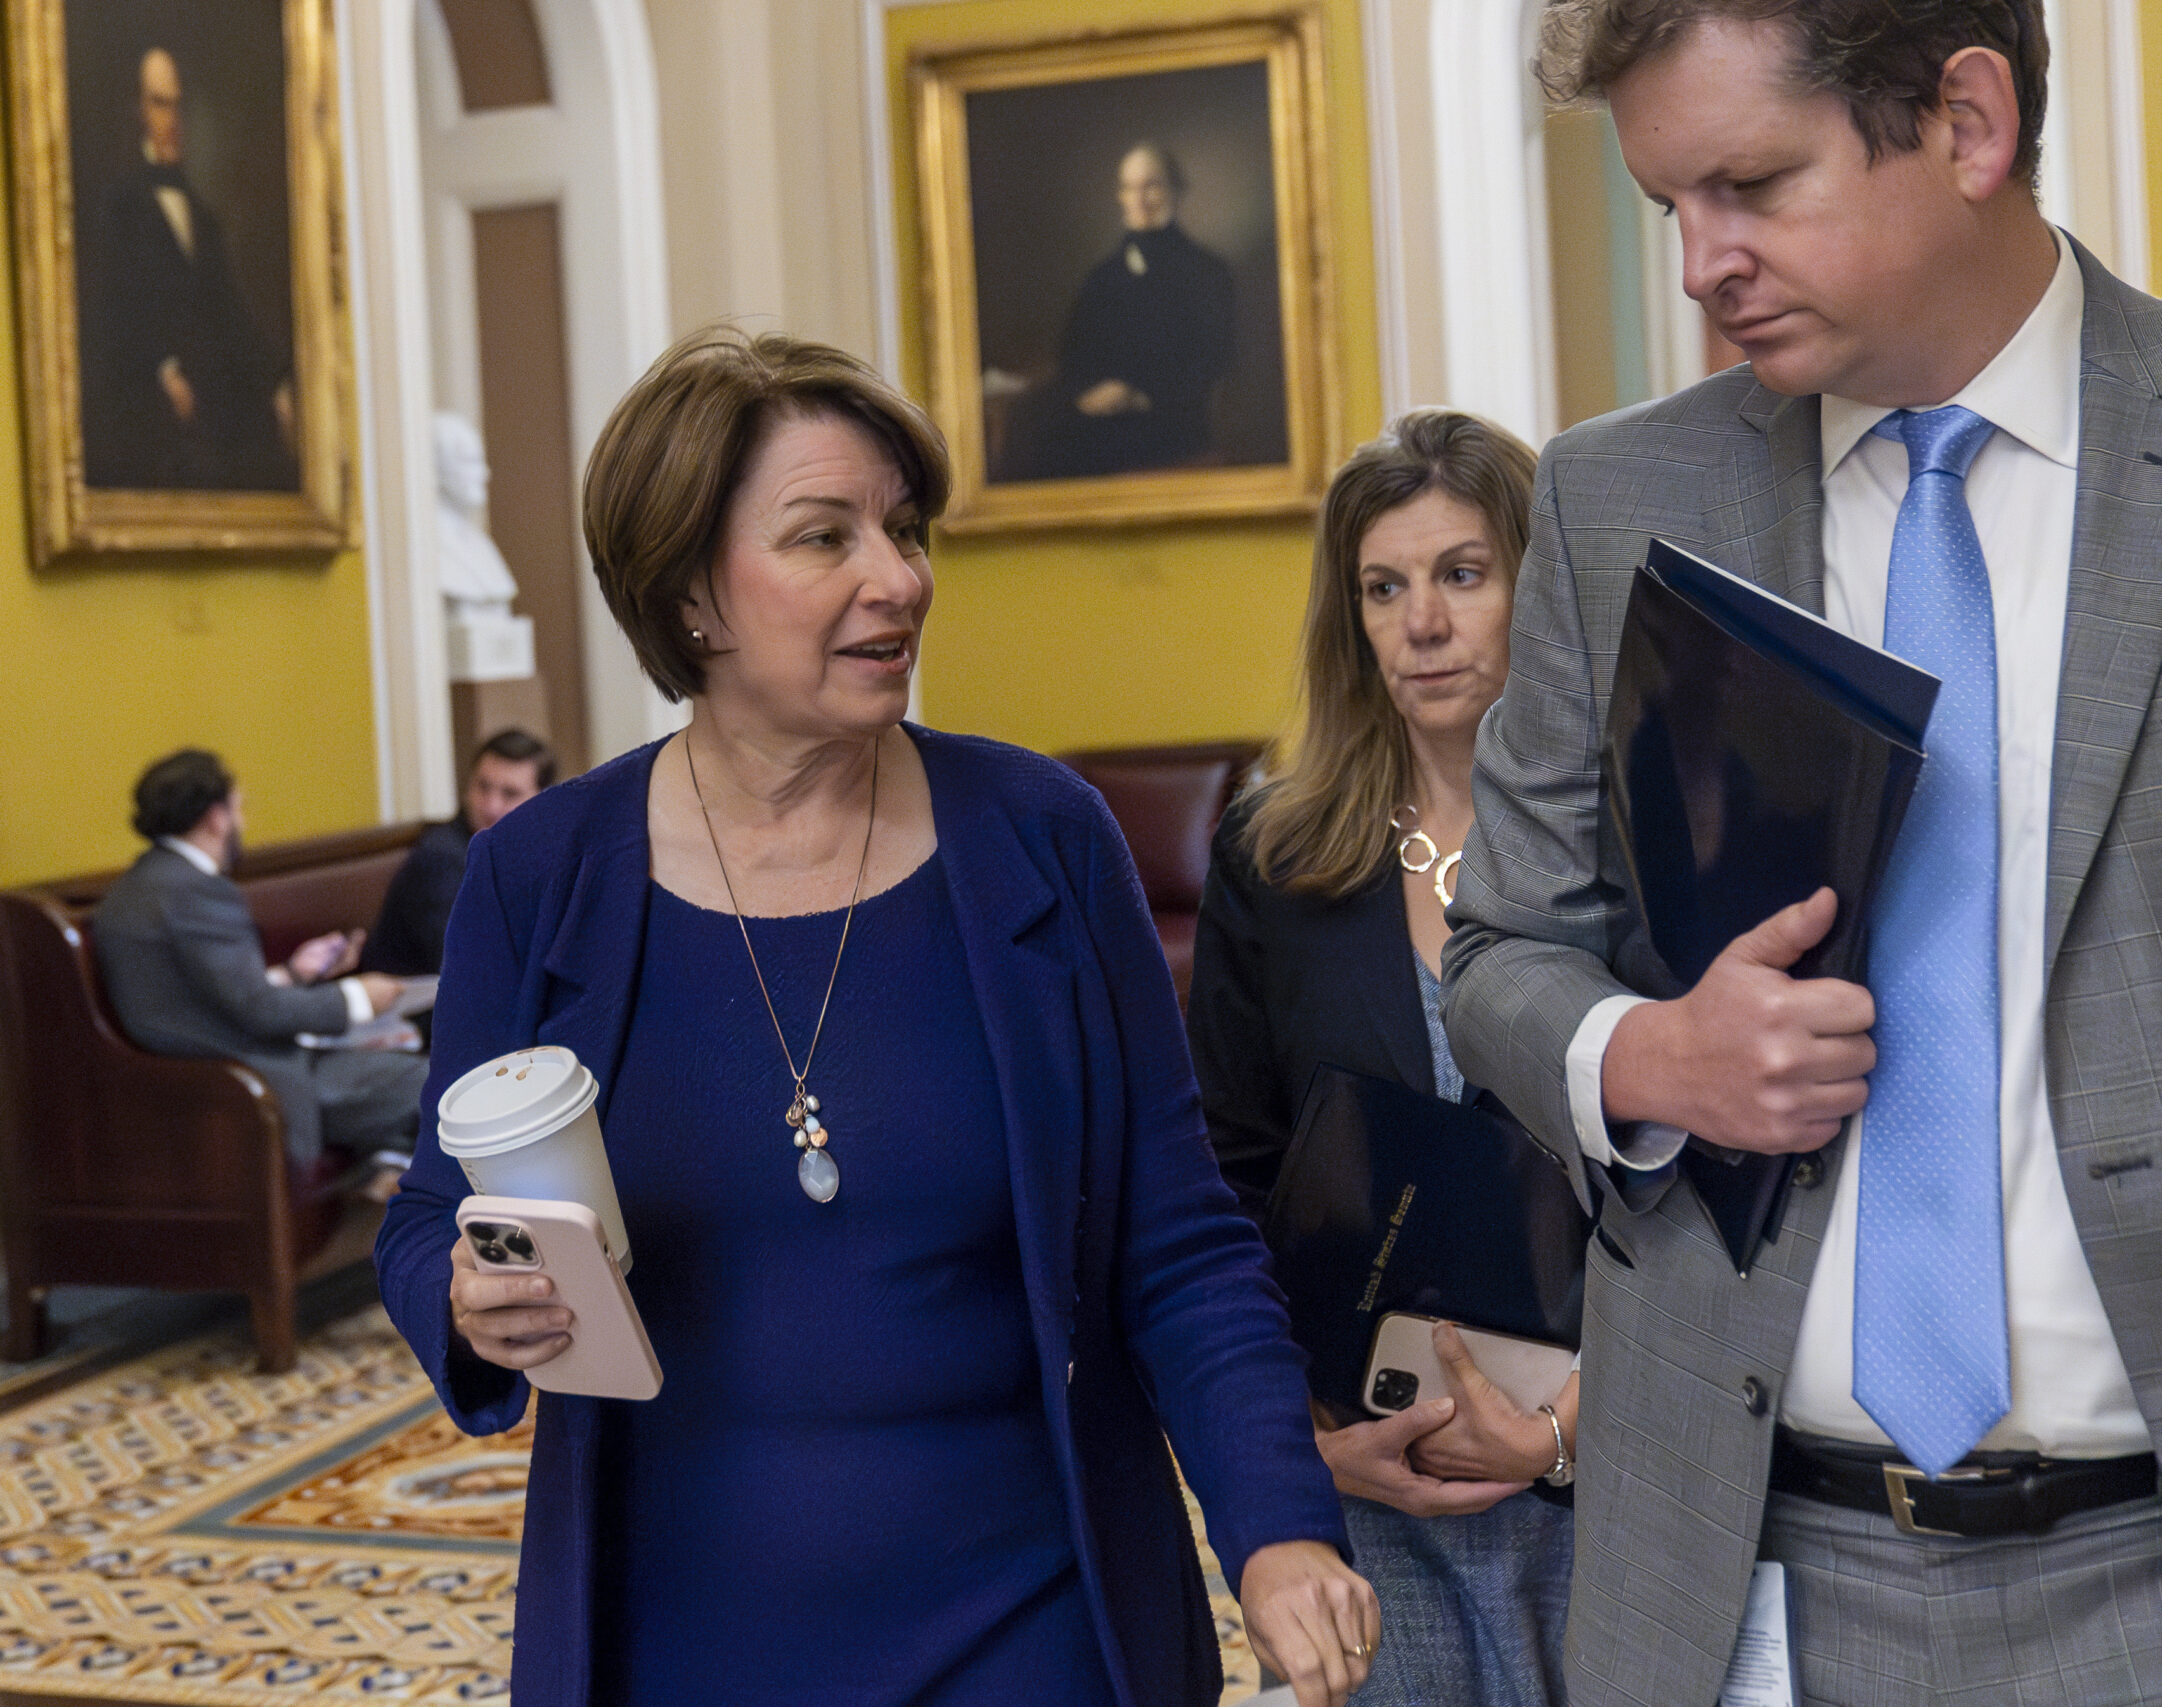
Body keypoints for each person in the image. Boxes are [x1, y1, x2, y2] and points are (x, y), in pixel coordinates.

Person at [1441, 2, 2162, 1703]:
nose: (1702, 265)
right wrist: (1642, 1051)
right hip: (1756, 1576)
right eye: (1672, 206)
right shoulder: (1619, 503)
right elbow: (1504, 951)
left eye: (1751, 184)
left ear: (1968, 121)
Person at [372, 328, 1379, 1707]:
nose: (897, 578)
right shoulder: (538, 875)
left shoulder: (1042, 839)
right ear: (689, 596)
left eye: (903, 531)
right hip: (676, 1631)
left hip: (1032, 1619)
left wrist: (1275, 1523)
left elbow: (1179, 1236)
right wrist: (463, 1292)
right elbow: (432, 1208)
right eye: (822, 536)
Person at [1187, 411, 1574, 1707]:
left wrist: (1566, 1428)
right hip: (1376, 1462)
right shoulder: (1278, 856)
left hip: (1608, 1460)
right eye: (1384, 586)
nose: (1422, 621)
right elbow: (1229, 1177)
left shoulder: (1628, 842)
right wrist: (1304, 1445)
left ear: (1536, 580)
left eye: (1463, 573)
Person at [90, 749, 421, 1168]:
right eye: (239, 809)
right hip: (247, 1084)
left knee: (399, 1087)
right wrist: (356, 999)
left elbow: (204, 995)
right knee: (426, 1080)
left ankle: (388, 1173)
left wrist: (292, 974)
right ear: (216, 817)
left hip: (193, 1078)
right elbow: (259, 1012)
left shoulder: (135, 889)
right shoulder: (195, 891)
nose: (241, 823)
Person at [80, 48, 298, 492]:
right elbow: (113, 313)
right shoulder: (119, 208)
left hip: (211, 394)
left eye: (177, 104)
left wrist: (276, 379)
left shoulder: (203, 216)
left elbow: (231, 312)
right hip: (147, 397)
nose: (172, 118)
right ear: (137, 110)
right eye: (160, 103)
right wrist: (162, 371)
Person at [996, 142, 1237, 481]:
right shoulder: (1103, 277)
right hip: (1099, 408)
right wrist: (1088, 393)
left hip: (1169, 414)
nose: (1139, 199)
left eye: (1151, 186)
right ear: (1120, 196)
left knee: (1072, 445)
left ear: (1175, 191)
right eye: (1129, 188)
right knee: (1031, 422)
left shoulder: (1207, 272)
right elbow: (1074, 355)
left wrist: (1139, 395)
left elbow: (1214, 357)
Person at [363, 729, 553, 977]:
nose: (491, 806)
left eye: (510, 794)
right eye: (483, 787)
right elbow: (463, 970)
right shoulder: (441, 860)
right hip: (419, 1008)